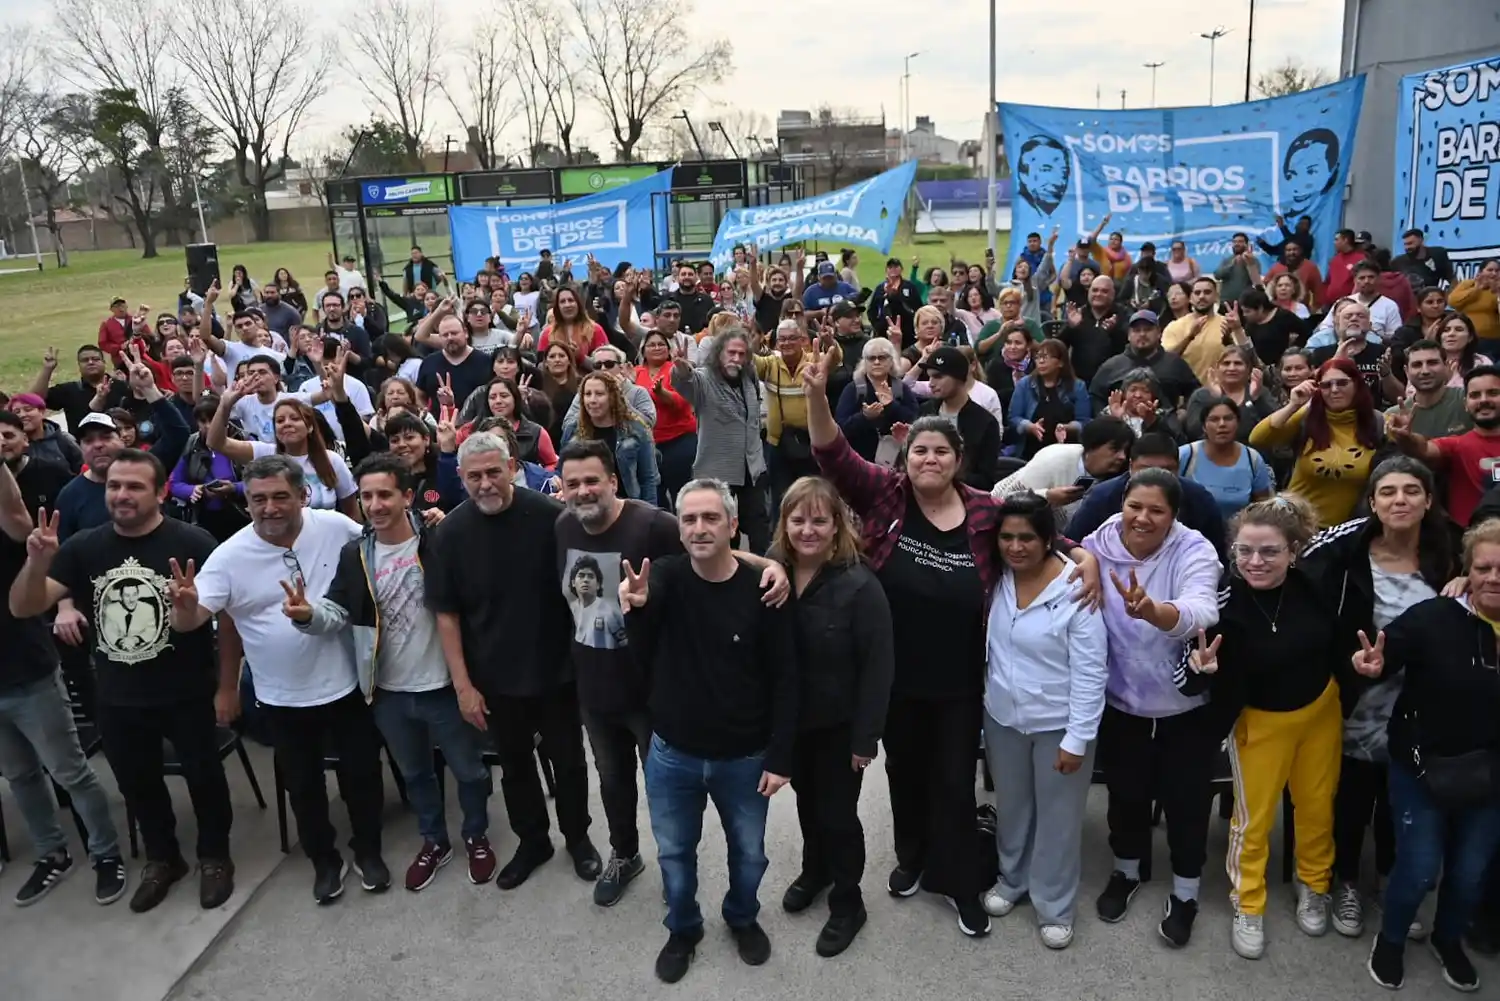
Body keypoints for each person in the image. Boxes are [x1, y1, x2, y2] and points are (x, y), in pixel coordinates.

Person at [802, 345, 1102, 938]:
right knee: (904, 776)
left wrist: (1082, 553)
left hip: (964, 679)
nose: (930, 459)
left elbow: (1035, 531)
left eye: (941, 451)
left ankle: (961, 882)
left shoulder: (986, 511)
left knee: (953, 781)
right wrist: (816, 394)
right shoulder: (885, 495)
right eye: (920, 450)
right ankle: (912, 858)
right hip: (892, 677)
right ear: (905, 457)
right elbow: (831, 453)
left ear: (959, 459)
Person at [9, 449, 234, 914]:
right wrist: (36, 562)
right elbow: (23, 607)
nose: (122, 495)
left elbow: (223, 618)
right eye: (114, 486)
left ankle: (214, 857)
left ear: (161, 491)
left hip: (186, 691)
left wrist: (225, 683)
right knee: (138, 784)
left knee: (205, 779)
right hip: (116, 695)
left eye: (134, 486)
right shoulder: (83, 547)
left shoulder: (194, 542)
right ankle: (164, 859)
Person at [172, 455, 386, 904]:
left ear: (302, 496)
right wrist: (187, 607)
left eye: (279, 497)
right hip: (281, 697)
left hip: (347, 684)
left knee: (362, 777)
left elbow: (380, 552)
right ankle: (324, 862)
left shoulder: (335, 527)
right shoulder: (228, 557)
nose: (268, 508)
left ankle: (368, 850)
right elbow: (197, 622)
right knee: (304, 788)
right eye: (258, 499)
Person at [280, 454, 496, 892]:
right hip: (387, 692)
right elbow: (338, 611)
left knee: (469, 770)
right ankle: (434, 840)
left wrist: (468, 682)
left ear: (407, 496)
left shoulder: (437, 542)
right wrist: (307, 615)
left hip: (443, 686)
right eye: (366, 496)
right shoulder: (355, 554)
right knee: (416, 775)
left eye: (384, 494)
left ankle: (476, 834)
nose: (375, 504)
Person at [621, 479, 799, 982]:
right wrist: (634, 606)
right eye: (690, 519)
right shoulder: (667, 579)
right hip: (672, 755)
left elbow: (787, 678)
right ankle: (683, 928)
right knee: (675, 855)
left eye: (711, 518)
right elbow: (643, 631)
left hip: (744, 757)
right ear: (679, 528)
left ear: (733, 525)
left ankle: (742, 917)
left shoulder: (763, 591)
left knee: (749, 855)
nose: (699, 528)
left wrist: (781, 756)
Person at [426, 432, 601, 890]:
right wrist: (463, 685)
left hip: (557, 669)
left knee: (569, 762)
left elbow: (584, 592)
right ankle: (533, 841)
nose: (485, 484)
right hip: (494, 677)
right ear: (461, 479)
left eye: (493, 472)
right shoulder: (449, 533)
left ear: (511, 468)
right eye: (474, 476)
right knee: (516, 766)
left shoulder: (551, 518)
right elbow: (446, 614)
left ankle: (578, 838)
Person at [1177, 495, 1345, 960]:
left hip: (1320, 711)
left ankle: (1315, 884)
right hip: (1259, 723)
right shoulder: (1224, 602)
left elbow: (1366, 525)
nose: (1255, 562)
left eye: (1270, 551)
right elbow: (1191, 674)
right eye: (1245, 551)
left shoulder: (1316, 584)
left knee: (1316, 807)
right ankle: (1248, 902)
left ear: (1294, 551)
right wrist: (1200, 669)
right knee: (1252, 821)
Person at [1298, 457, 1454, 942]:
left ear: (1429, 500)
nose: (1400, 500)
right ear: (1372, 502)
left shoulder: (1452, 554)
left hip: (1423, 701)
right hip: (1356, 695)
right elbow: (1301, 595)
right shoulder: (1347, 551)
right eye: (1388, 492)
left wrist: (1467, 579)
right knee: (1351, 794)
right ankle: (1347, 881)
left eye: (1411, 491)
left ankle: (1391, 881)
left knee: (1401, 798)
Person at [1352, 518, 1500, 993]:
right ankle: (1391, 940)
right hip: (1422, 766)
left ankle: (1448, 939)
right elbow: (1387, 651)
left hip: (1491, 776)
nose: (1494, 577)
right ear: (1467, 570)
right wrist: (1374, 664)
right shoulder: (1435, 615)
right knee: (1417, 868)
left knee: (1470, 871)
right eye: (1484, 567)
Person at [1084, 468, 1222, 947]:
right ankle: (1127, 870)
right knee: (1125, 794)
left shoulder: (1194, 548)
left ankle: (1186, 892)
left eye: (1156, 510)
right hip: (1122, 700)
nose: (1142, 518)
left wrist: (1154, 611)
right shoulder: (1097, 544)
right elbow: (1068, 557)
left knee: (1186, 802)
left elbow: (1203, 609)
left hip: (1185, 705)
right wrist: (1082, 562)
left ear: (1174, 515)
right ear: (1120, 503)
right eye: (1134, 506)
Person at [769, 476, 893, 957]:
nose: (808, 529)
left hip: (841, 729)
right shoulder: (774, 570)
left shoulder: (860, 585)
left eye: (820, 520)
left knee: (839, 815)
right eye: (797, 519)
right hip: (794, 723)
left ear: (837, 525)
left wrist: (867, 739)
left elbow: (879, 667)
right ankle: (814, 870)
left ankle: (848, 900)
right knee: (806, 804)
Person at [980, 492, 1108, 950]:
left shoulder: (1077, 586)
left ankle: (1054, 905)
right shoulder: (997, 579)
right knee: (1014, 808)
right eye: (1008, 538)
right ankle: (1011, 881)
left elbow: (1092, 670)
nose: (1016, 547)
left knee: (1058, 817)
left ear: (1049, 539)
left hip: (1059, 724)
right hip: (1003, 719)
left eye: (1027, 538)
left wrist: (1078, 738)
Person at [0, 457, 126, 908]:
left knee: (69, 770)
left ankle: (106, 854)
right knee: (19, 775)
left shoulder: (12, 527)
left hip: (27, 672)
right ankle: (51, 853)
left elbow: (15, 515)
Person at [668, 324, 770, 553]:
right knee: (723, 534)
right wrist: (681, 369)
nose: (736, 359)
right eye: (731, 353)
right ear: (719, 353)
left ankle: (763, 579)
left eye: (741, 354)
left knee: (760, 531)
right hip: (718, 473)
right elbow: (686, 381)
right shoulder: (705, 379)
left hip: (752, 470)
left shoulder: (748, 378)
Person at [1249, 357, 1384, 529]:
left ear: (1357, 384)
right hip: (1294, 526)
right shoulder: (1308, 417)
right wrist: (1294, 405)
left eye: (1342, 383)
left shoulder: (1377, 423)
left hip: (1344, 533)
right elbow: (1258, 439)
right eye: (1326, 385)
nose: (1334, 390)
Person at [1066, 432, 1228, 559]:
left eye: (1165, 470)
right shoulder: (1102, 497)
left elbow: (1217, 554)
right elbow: (1070, 545)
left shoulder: (1199, 499)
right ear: (1130, 466)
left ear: (1178, 469)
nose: (1155, 477)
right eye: (1146, 469)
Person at [209, 387, 357, 517]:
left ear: (310, 427)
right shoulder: (266, 453)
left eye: (295, 418)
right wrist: (225, 406)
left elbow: (351, 511)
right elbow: (216, 443)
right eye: (280, 421)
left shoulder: (332, 460)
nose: (287, 423)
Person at [1388, 365, 1500, 528]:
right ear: (1465, 404)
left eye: (1493, 393)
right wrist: (1407, 438)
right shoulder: (1456, 445)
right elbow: (1424, 449)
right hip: (1469, 543)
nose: (1483, 400)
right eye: (1475, 395)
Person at [992, 417, 1134, 525]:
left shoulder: (1120, 477)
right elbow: (1002, 500)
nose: (1122, 457)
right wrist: (1046, 497)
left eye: (1125, 451)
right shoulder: (1053, 458)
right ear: (1092, 446)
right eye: (1114, 449)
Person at [562, 372, 659, 506]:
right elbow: (562, 470)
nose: (592, 400)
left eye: (599, 394)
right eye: (587, 394)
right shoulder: (573, 429)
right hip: (585, 503)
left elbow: (648, 478)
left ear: (612, 397)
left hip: (627, 505)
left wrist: (650, 513)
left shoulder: (636, 429)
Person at [916, 347, 1002, 491]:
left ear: (959, 378)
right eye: (930, 376)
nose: (931, 383)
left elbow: (986, 480)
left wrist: (949, 473)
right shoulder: (925, 411)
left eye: (938, 376)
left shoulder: (984, 422)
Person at [1088, 310, 1201, 416]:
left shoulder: (1175, 364)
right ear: (1128, 335)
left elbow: (1195, 392)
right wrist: (1107, 416)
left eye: (1148, 330)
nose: (1142, 334)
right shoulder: (1112, 366)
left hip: (1165, 429)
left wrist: (1185, 412)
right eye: (1137, 330)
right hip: (1122, 429)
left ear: (1158, 333)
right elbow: (1095, 396)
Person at [1178, 398, 1274, 520]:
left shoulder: (1253, 459)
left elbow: (1263, 507)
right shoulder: (1186, 455)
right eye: (1214, 419)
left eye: (1228, 418)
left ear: (1238, 423)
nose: (1222, 424)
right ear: (1204, 426)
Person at [635, 329, 697, 510]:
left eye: (661, 344)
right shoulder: (635, 373)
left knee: (683, 493)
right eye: (651, 344)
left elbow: (683, 401)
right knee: (655, 495)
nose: (657, 347)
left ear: (668, 349)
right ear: (643, 350)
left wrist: (661, 393)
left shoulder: (676, 370)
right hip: (649, 444)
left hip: (680, 439)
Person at [834, 336, 919, 465]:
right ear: (864, 362)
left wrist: (892, 405)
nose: (877, 362)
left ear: (891, 361)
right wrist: (865, 417)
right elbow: (840, 427)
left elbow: (915, 422)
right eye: (871, 358)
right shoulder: (853, 389)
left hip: (897, 461)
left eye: (882, 357)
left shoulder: (901, 388)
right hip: (859, 461)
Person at [1007, 339, 1092, 461]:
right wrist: (1030, 426)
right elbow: (1013, 418)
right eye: (1038, 357)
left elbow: (1084, 422)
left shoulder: (1077, 386)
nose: (1040, 361)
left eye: (1046, 357)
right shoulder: (1024, 385)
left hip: (1065, 451)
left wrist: (1066, 427)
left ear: (1060, 362)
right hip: (1030, 452)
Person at [1183, 345, 1275, 444]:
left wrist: (1256, 400)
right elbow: (1195, 433)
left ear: (1248, 369)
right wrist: (1217, 400)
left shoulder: (1260, 392)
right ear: (1217, 368)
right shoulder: (1201, 396)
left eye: (1238, 363)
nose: (1232, 368)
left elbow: (1272, 427)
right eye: (1226, 363)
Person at [1164, 278, 1247, 386]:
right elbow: (1166, 361)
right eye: (1197, 293)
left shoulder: (1229, 324)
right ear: (1190, 298)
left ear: (1216, 297)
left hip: (1223, 393)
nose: (1202, 296)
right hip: (1187, 394)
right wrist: (1189, 337)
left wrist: (1230, 339)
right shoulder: (1175, 327)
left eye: (1207, 292)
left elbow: (1246, 358)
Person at [1389, 339, 1472, 440]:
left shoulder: (1469, 400)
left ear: (1446, 366)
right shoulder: (1393, 416)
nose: (1425, 371)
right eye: (1417, 365)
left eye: (1432, 363)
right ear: (1406, 371)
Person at [1450, 259, 1500, 344]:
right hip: (1467, 338)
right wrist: (1477, 289)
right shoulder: (1468, 284)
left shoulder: (1497, 290)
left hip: (1493, 339)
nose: (1494, 273)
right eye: (1490, 270)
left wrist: (1497, 291)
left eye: (1497, 270)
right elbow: (1453, 302)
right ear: (1480, 272)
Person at [1390, 228, 1454, 294]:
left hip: (1430, 299)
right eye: (1405, 244)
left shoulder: (1438, 254)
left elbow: (1452, 279)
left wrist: (1450, 298)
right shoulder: (1398, 262)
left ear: (1421, 241)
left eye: (1410, 243)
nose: (1407, 248)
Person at [1214, 233, 1263, 305]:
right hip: (1225, 302)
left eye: (1240, 241)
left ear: (1246, 244)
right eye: (1234, 242)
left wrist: (1248, 262)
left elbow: (1256, 281)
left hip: (1244, 303)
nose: (1237, 244)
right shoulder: (1227, 260)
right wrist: (1232, 264)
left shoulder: (1253, 260)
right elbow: (1217, 275)